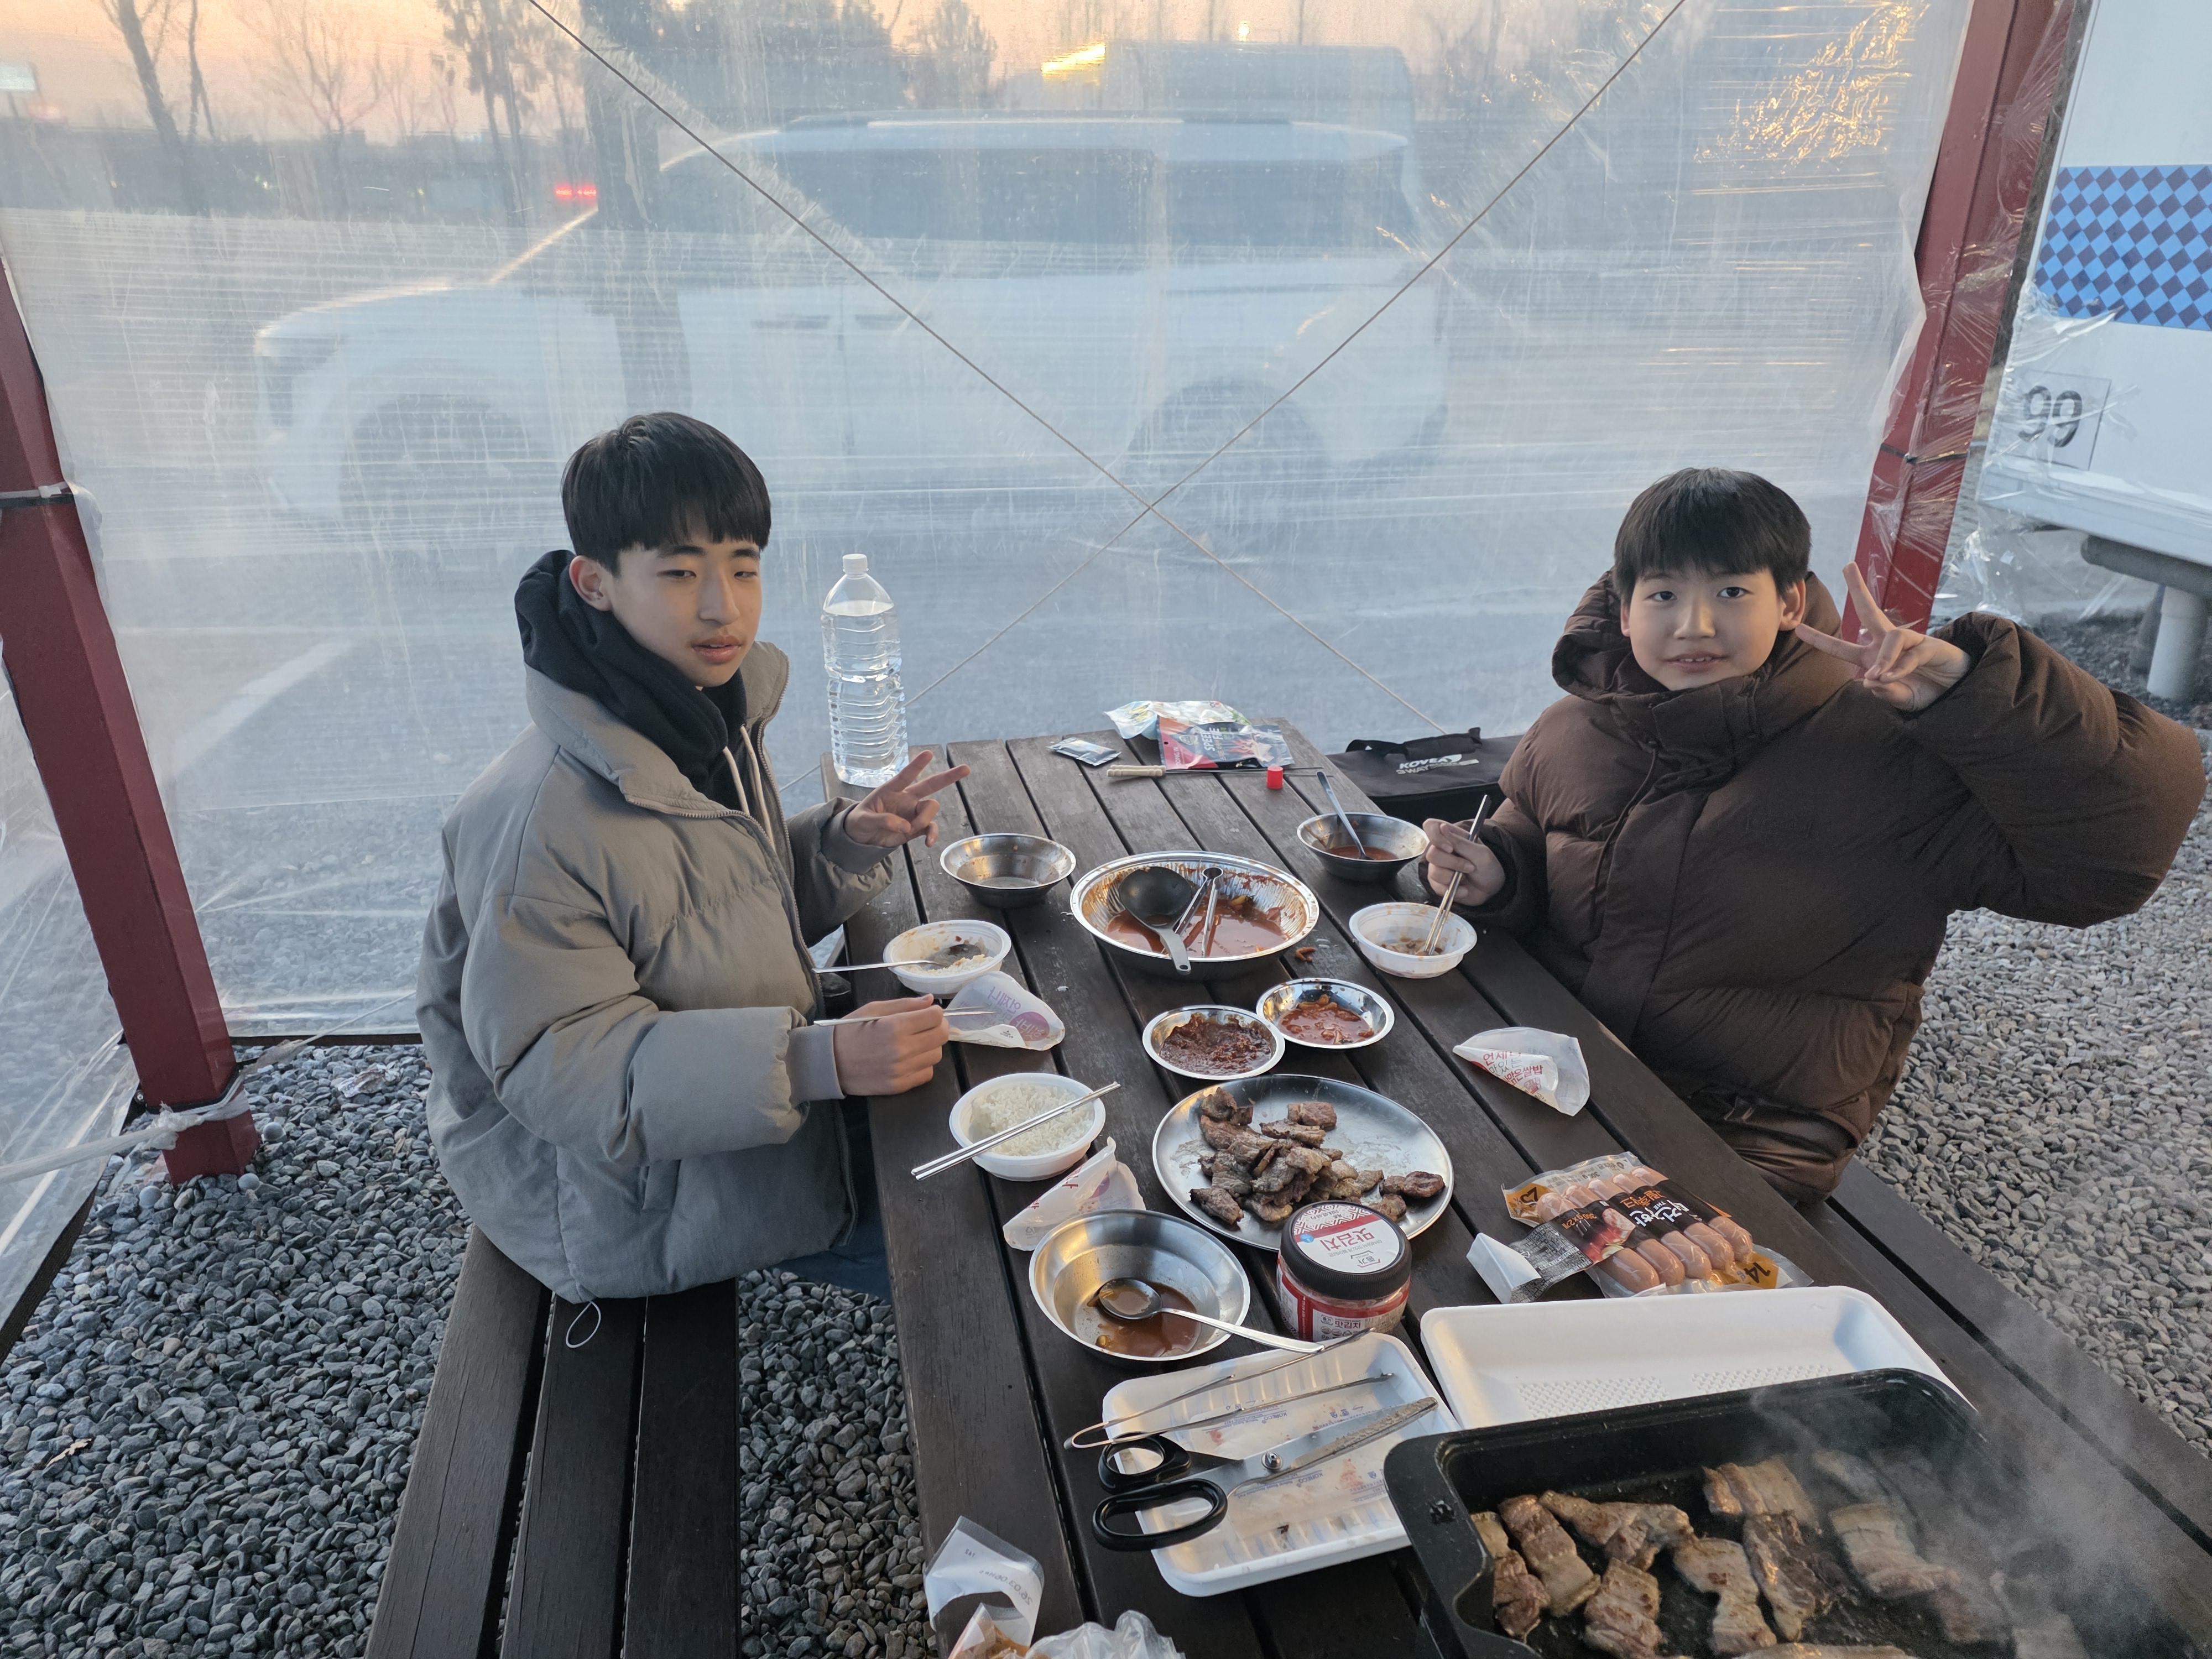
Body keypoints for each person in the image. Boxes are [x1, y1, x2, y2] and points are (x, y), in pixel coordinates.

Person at [1421, 467, 2205, 1203]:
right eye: (1663, 594)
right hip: (1563, 1058)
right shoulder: (1575, 725)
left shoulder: (1890, 749)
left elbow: (2109, 865)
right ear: (1625, 612)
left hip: (1748, 1123)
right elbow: (1533, 830)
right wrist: (1499, 874)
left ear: (1791, 601)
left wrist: (1978, 698)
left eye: (1732, 591)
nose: (1694, 624)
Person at [417, 412, 967, 1303]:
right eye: (679, 572)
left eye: (743, 567)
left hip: (713, 1114)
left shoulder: (692, 713)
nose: (724, 607)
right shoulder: (539, 820)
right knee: (976, 1246)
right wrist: (815, 1063)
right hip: (617, 1200)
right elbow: (566, 1071)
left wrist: (842, 840)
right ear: (595, 583)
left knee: (991, 1111)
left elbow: (710, 915)